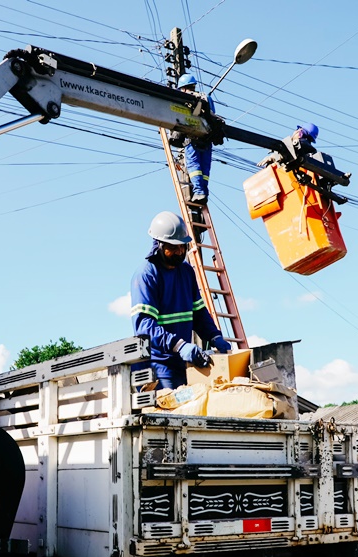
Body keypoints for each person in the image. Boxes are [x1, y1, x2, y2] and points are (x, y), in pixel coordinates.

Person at [130, 212, 231, 390]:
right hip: (157, 366)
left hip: (184, 363)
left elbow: (199, 313)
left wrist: (214, 336)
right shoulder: (146, 275)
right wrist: (180, 345)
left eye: (182, 246)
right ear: (158, 245)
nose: (179, 252)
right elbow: (145, 326)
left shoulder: (186, 272)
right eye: (173, 247)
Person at [170, 74, 216, 204]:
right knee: (204, 168)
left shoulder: (185, 98)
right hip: (208, 137)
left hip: (192, 137)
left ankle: (199, 192)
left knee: (193, 165)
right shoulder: (206, 97)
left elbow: (179, 116)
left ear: (183, 88)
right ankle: (203, 192)